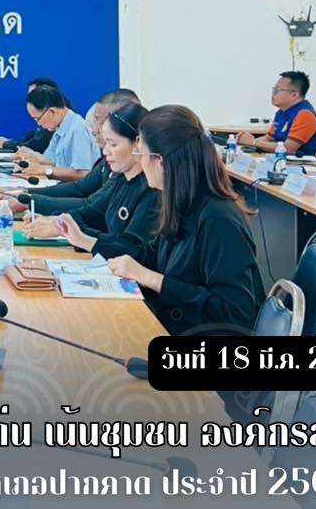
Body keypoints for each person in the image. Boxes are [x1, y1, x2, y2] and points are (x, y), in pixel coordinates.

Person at [106, 105, 263, 337]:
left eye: (141, 155)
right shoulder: (180, 201)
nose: (141, 164)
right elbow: (153, 256)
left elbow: (235, 314)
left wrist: (150, 278)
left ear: (161, 161)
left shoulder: (219, 219)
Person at [26, 103, 160, 261]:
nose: (105, 151)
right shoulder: (121, 178)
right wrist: (59, 221)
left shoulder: (152, 190)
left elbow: (132, 247)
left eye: (113, 144)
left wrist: (75, 233)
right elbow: (93, 212)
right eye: (106, 143)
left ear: (137, 145)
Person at [0, 89, 140, 218]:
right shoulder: (107, 163)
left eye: (99, 121)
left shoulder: (77, 129)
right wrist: (24, 193)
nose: (94, 130)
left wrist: (30, 200)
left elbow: (90, 202)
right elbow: (79, 188)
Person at [15, 85, 99, 180]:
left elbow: (83, 174)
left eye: (37, 119)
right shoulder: (60, 127)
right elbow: (52, 161)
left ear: (52, 111)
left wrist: (44, 170)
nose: (39, 124)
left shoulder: (78, 129)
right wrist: (33, 159)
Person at [239, 71, 316, 156]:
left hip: (302, 162)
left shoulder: (305, 115)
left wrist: (253, 142)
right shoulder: (281, 112)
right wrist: (245, 140)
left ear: (294, 95)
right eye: (273, 89)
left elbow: (288, 148)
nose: (273, 93)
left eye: (277, 90)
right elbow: (269, 138)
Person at [0, 78, 65, 153]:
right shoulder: (53, 124)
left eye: (33, 95)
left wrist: (5, 144)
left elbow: (35, 146)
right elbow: (48, 158)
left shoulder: (70, 128)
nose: (39, 123)